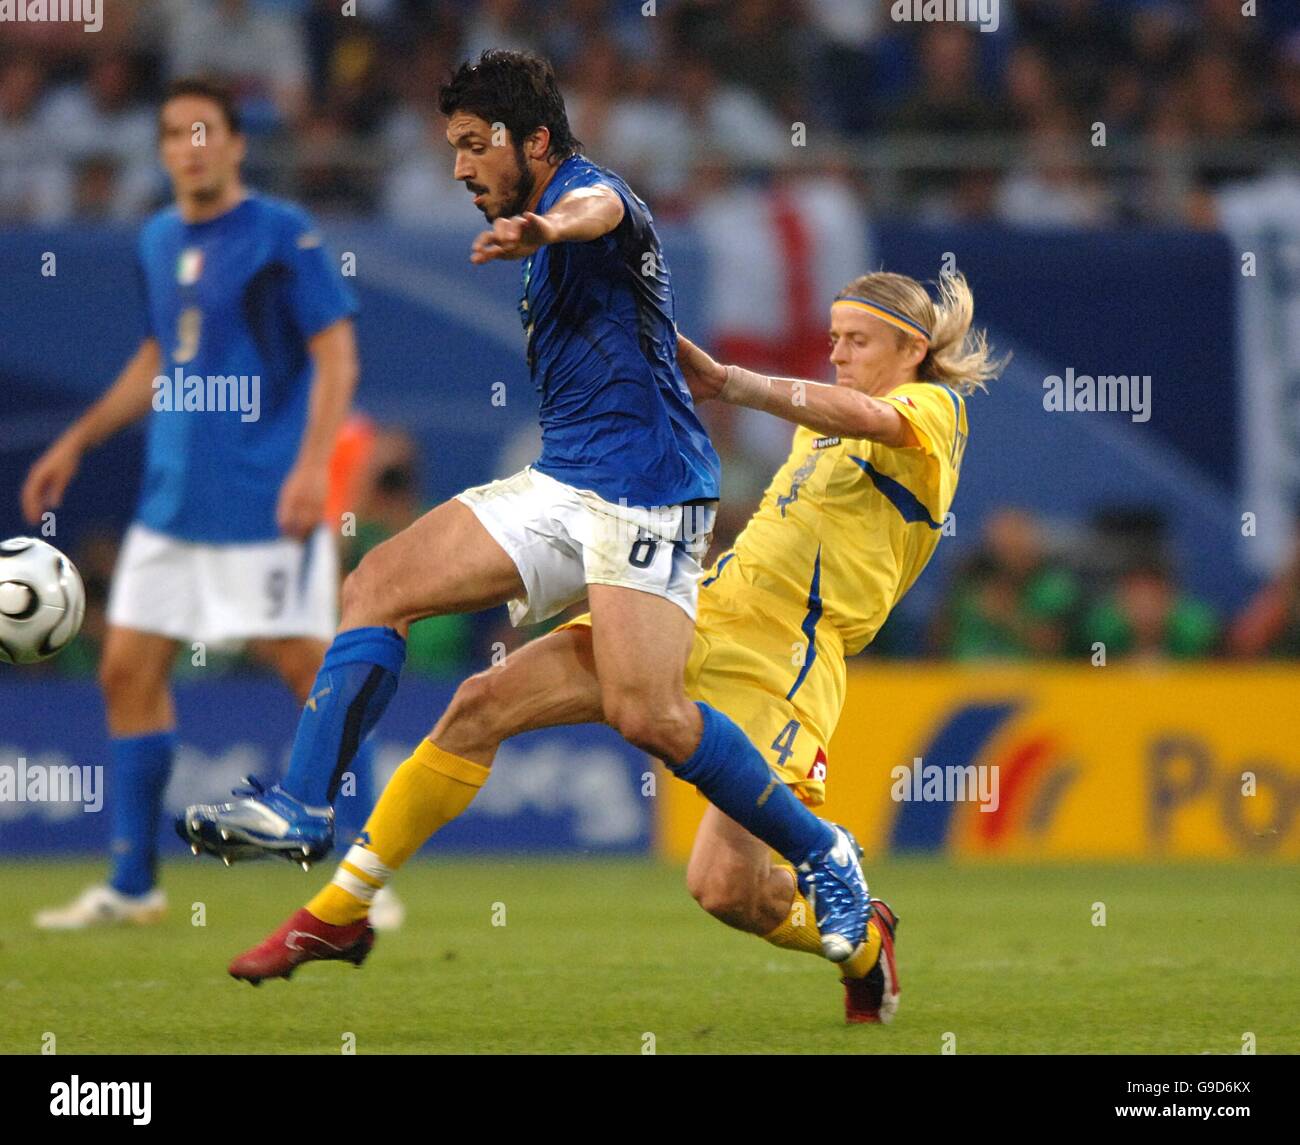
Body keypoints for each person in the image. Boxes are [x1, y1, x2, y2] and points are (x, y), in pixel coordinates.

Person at [181, 50, 871, 963]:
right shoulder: (543, 224)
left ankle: (826, 852)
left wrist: (545, 228)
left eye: (474, 146)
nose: (460, 167)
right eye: (453, 148)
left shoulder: (591, 196)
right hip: (565, 478)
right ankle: (304, 807)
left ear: (534, 141)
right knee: (380, 580)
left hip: (650, 489)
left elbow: (600, 214)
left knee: (648, 714)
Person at [228, 269, 1001, 1024]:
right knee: (479, 703)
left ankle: (866, 940)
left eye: (858, 340)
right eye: (833, 339)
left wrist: (733, 382)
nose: (837, 355)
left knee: (727, 890)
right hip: (700, 602)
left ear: (910, 349)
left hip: (783, 660)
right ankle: (340, 908)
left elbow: (873, 420)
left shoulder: (935, 411)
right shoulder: (820, 419)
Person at [17, 78, 407, 928]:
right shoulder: (157, 238)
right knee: (126, 669)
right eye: (172, 133)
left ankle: (363, 879)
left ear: (233, 144)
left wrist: (313, 470)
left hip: (263, 502)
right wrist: (75, 441)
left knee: (309, 670)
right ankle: (132, 886)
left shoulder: (279, 234)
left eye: (204, 131)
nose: (188, 146)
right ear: (161, 151)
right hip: (170, 504)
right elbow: (162, 354)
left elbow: (337, 357)